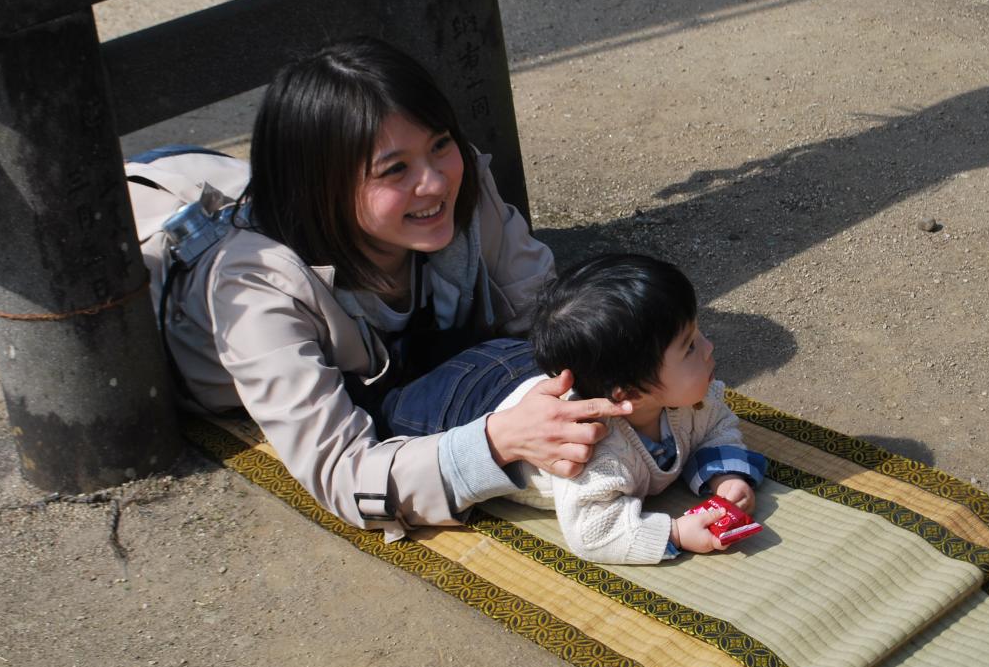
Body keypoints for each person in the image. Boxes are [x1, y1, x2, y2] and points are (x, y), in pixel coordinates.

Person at [125, 38, 630, 541]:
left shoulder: (461, 183)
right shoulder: (255, 287)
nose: (434, 182)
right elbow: (343, 474)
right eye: (395, 169)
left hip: (227, 175)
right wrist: (498, 440)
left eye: (440, 143)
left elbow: (542, 315)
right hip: (142, 226)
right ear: (320, 189)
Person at [382, 254, 771, 565]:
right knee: (390, 402)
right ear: (627, 394)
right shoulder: (594, 453)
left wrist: (725, 476)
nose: (709, 347)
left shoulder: (691, 404)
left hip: (524, 368)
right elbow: (593, 533)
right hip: (462, 400)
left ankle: (434, 343)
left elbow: (717, 423)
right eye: (688, 346)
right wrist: (675, 533)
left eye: (696, 333)